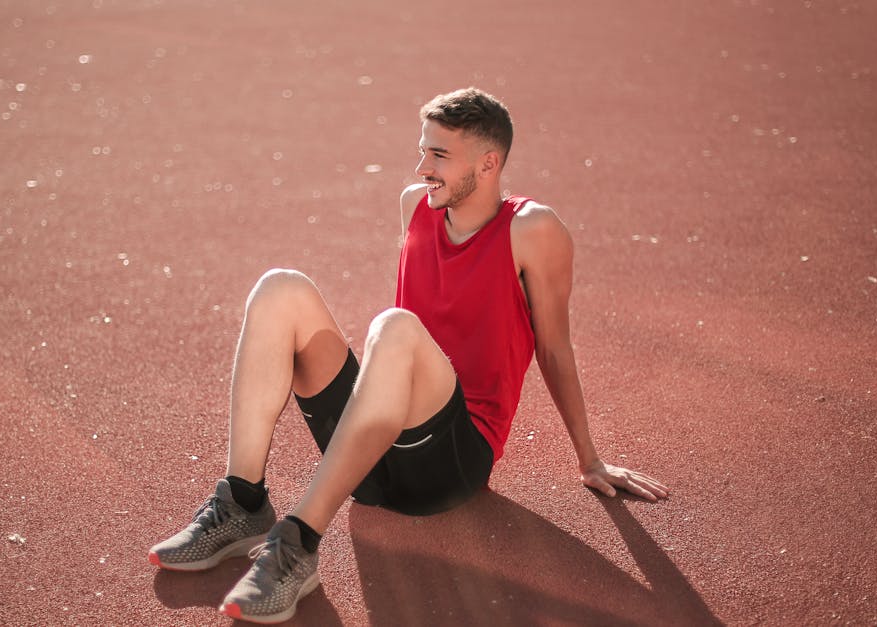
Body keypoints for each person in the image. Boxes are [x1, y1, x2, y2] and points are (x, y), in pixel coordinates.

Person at [148, 87, 669, 623]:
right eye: (423, 151)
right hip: (376, 449)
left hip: (453, 458)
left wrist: (589, 458)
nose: (423, 167)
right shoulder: (413, 206)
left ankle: (299, 540)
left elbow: (555, 347)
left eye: (439, 155)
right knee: (280, 288)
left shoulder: (533, 230)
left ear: (489, 163)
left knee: (394, 327)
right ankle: (243, 501)